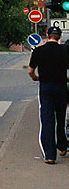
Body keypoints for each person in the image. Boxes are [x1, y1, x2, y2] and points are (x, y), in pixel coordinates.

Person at [27, 26, 69, 164]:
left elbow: (30, 71)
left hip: (45, 88)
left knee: (47, 119)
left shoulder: (39, 51)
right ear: (59, 37)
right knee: (61, 117)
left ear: (47, 35)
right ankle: (62, 146)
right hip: (61, 88)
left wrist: (35, 77)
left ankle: (50, 155)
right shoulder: (65, 50)